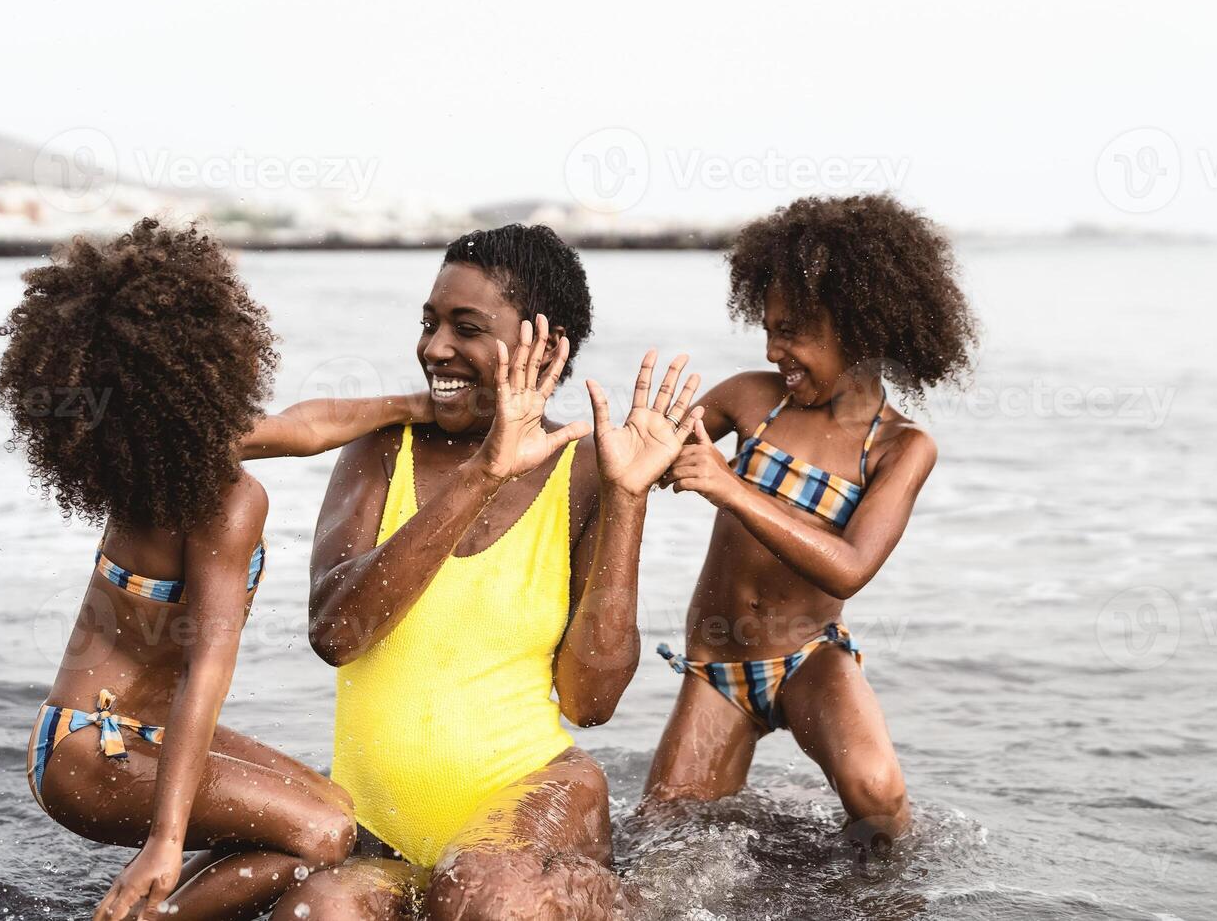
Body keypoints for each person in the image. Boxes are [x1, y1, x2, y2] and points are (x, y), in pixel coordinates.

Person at [0, 218, 436, 921]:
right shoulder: (226, 501)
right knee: (323, 834)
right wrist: (165, 843)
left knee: (332, 806)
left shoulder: (159, 455)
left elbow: (304, 427)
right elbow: (208, 670)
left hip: (115, 731)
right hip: (91, 748)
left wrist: (421, 406)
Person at [281, 224, 702, 920]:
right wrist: (482, 473)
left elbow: (590, 702)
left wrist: (629, 499)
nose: (434, 348)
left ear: (545, 344)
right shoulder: (383, 453)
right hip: (388, 836)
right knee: (318, 909)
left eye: (465, 328)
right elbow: (337, 633)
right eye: (430, 322)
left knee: (480, 892)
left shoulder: (588, 472)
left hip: (533, 805)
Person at [643, 194, 978, 855]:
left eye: (792, 330)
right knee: (663, 842)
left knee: (877, 793)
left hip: (808, 658)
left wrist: (729, 486)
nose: (773, 350)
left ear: (861, 328)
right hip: (718, 665)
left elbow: (850, 565)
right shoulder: (751, 400)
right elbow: (646, 456)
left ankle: (881, 899)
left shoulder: (899, 449)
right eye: (767, 328)